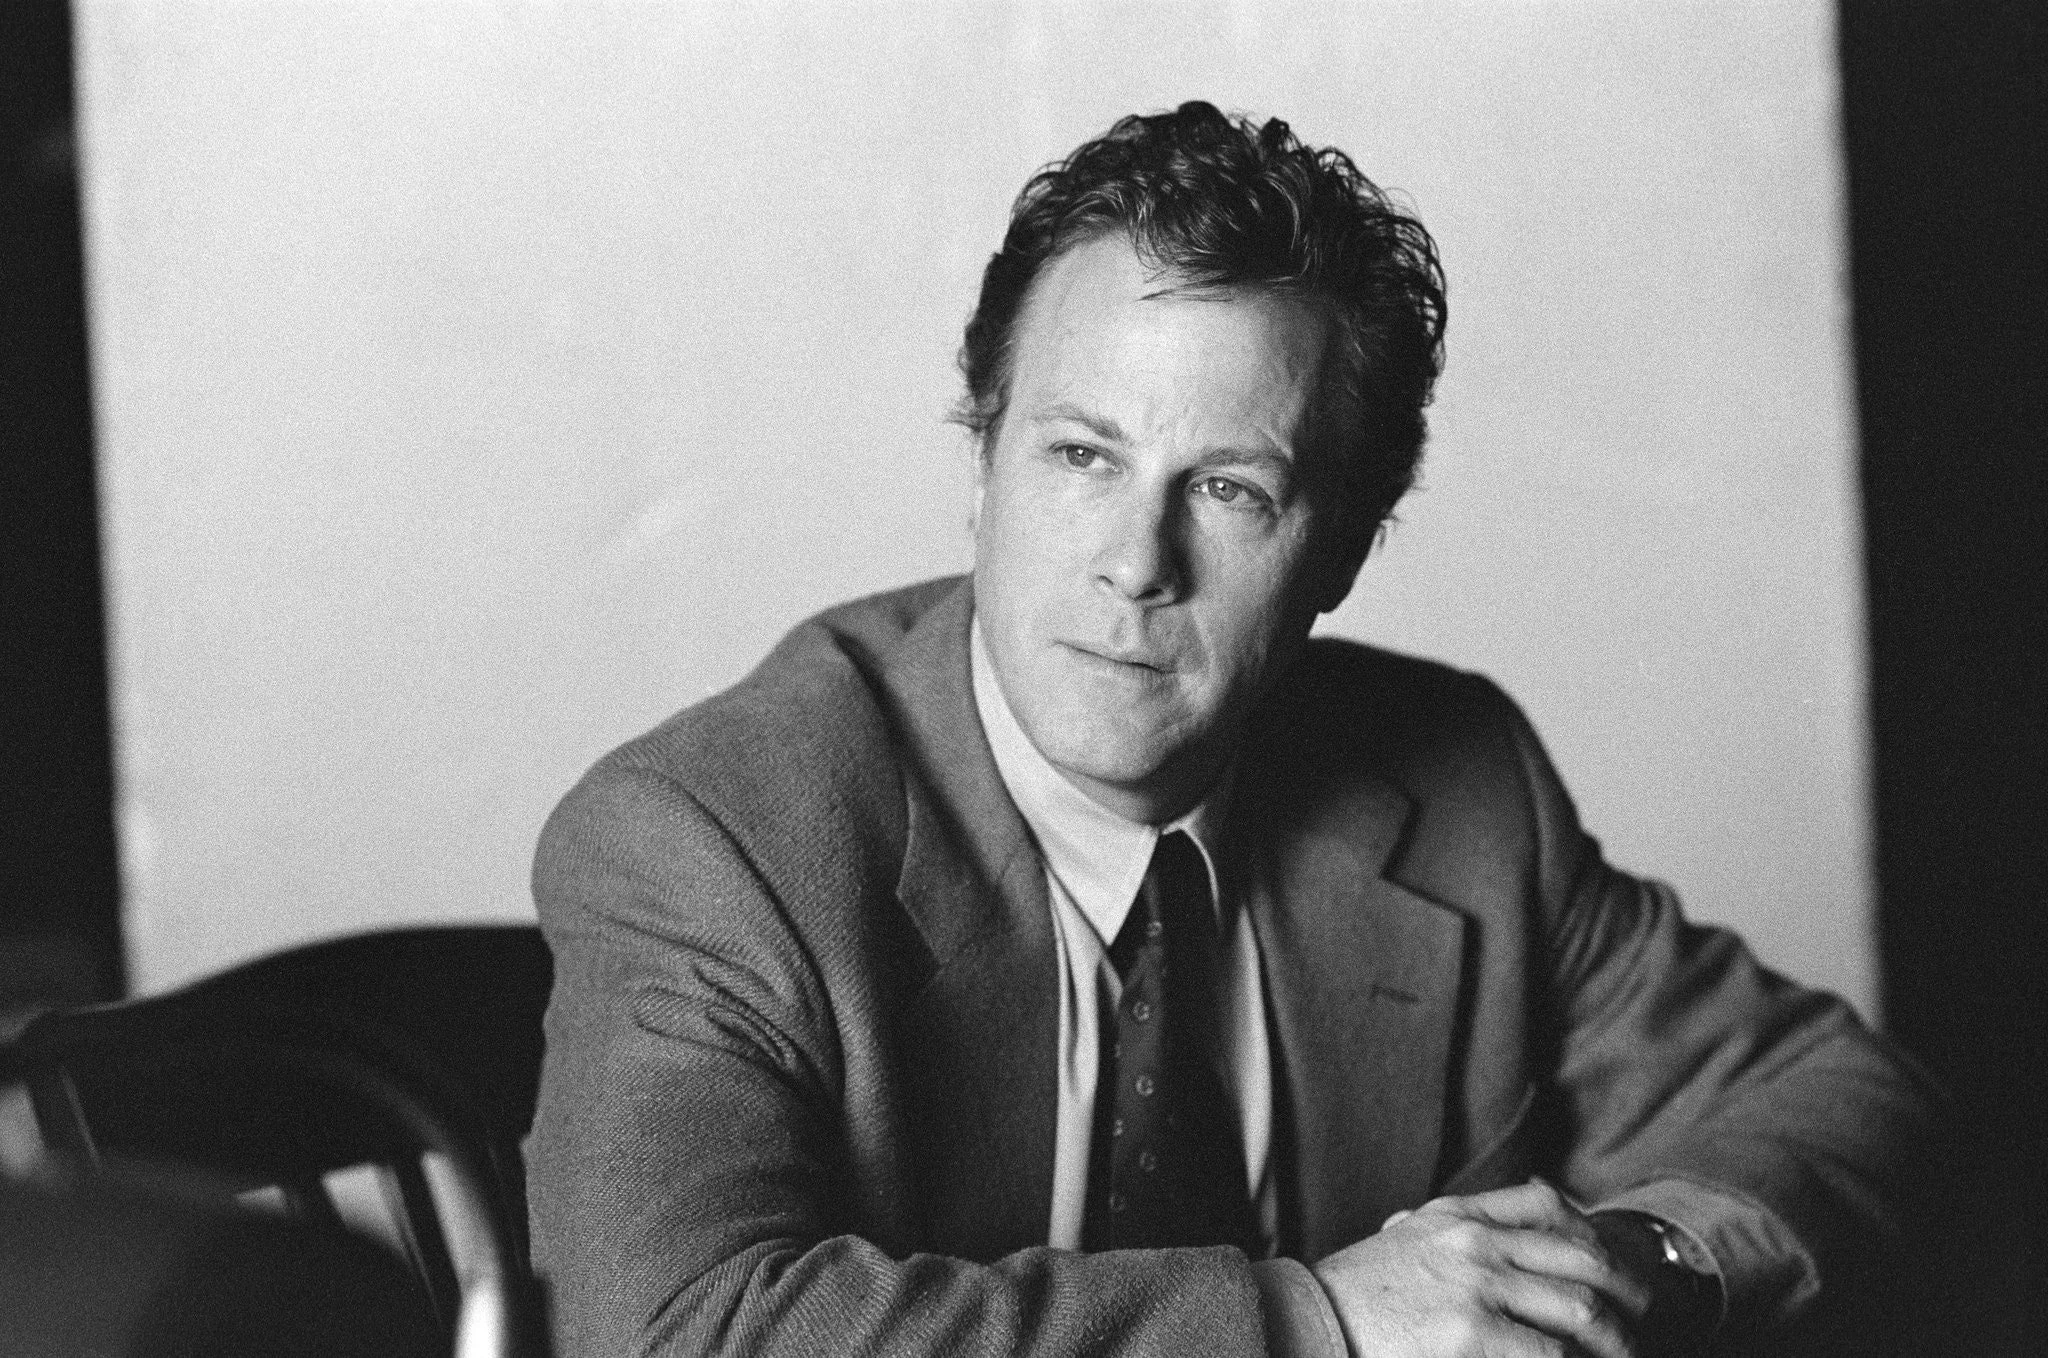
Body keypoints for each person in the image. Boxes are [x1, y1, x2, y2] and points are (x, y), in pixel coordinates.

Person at [525, 102, 1936, 1357]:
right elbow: (670, 1329)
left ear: (1343, 553)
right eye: (1082, 455)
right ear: (983, 467)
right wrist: (1322, 1323)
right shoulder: (712, 836)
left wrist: (1615, 1272)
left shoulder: (1460, 784)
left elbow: (1836, 1096)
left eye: (1229, 491)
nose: (1136, 562)